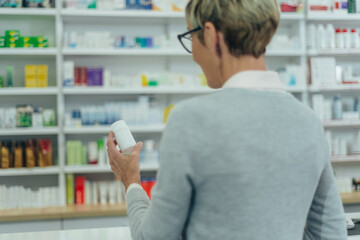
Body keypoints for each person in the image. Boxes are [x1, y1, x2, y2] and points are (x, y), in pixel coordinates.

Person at [107, 0, 347, 239]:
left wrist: (131, 180)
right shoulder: (308, 122)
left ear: (211, 36)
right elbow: (330, 234)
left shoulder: (191, 121)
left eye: (191, 37)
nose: (194, 56)